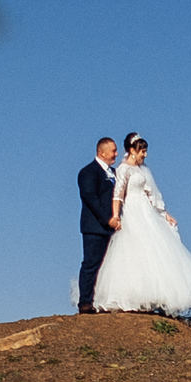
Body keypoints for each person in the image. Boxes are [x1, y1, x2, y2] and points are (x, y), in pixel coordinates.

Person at [91, 133, 191, 315]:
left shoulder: (143, 170)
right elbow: (118, 195)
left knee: (155, 250)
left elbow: (152, 194)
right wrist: (116, 216)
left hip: (146, 211)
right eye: (142, 151)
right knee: (134, 250)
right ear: (132, 151)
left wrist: (165, 214)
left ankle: (154, 298)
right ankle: (133, 295)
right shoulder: (124, 170)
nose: (145, 155)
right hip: (132, 211)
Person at [75, 134, 119, 313]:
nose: (116, 154)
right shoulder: (88, 172)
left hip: (113, 227)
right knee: (91, 263)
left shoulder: (114, 173)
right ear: (102, 153)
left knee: (110, 264)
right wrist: (107, 219)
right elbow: (90, 198)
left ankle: (104, 300)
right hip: (94, 226)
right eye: (113, 151)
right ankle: (85, 302)